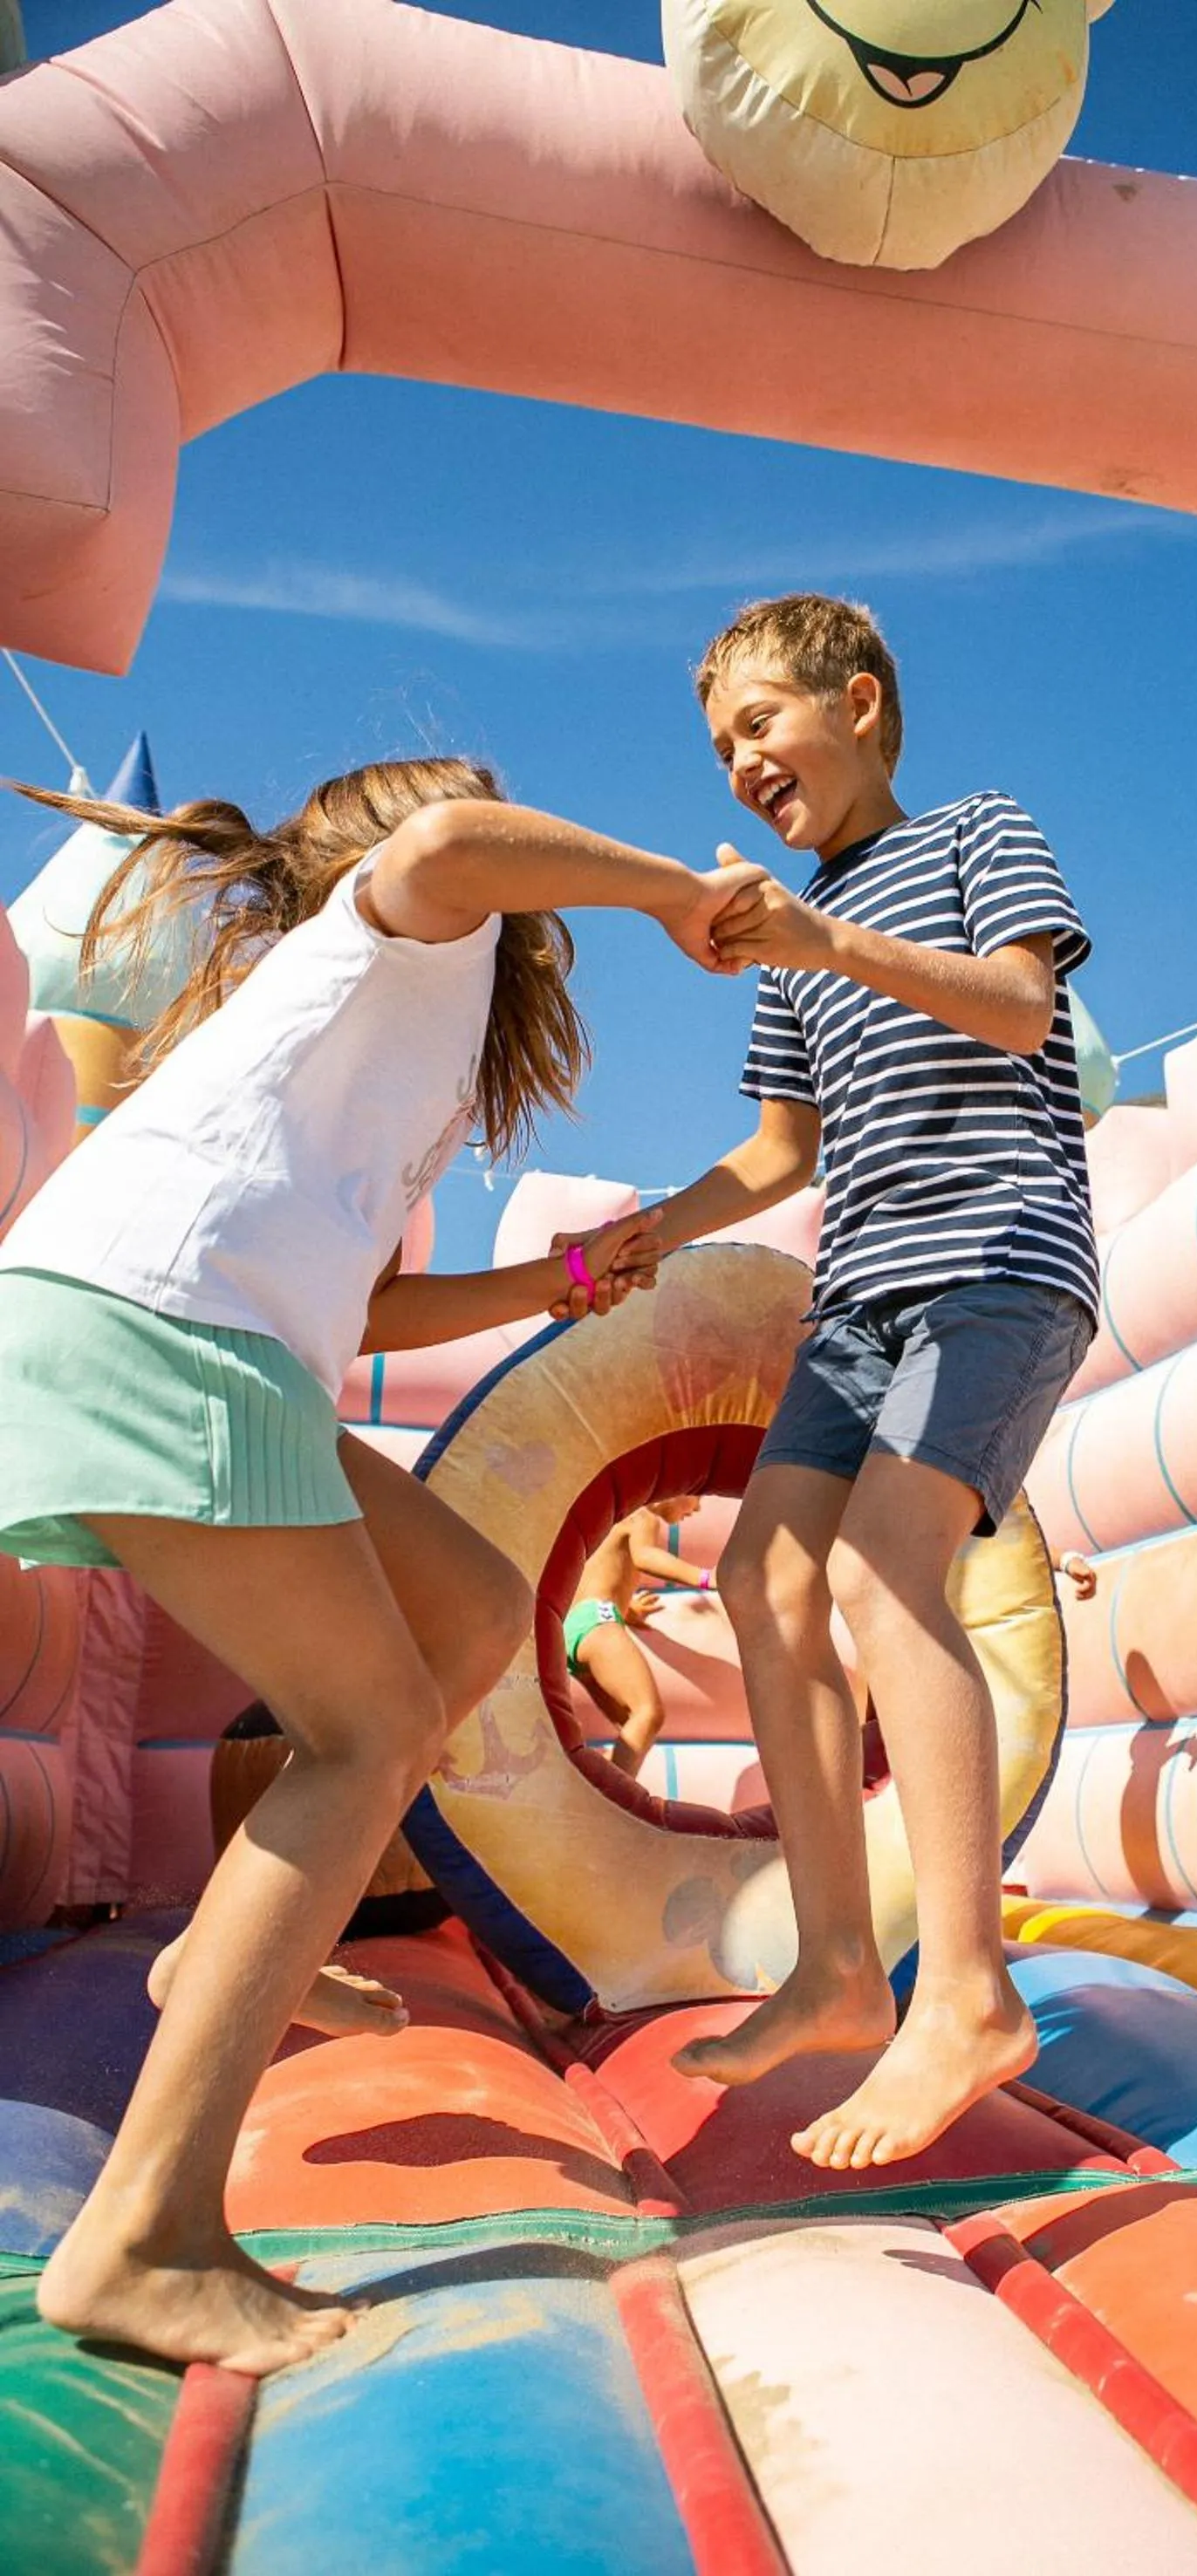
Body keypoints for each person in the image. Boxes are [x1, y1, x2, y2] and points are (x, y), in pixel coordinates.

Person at [0, 755, 758, 2375]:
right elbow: (453, 839)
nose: (511, 829)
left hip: (217, 1333)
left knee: (475, 1613)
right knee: (366, 1727)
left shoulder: (370, 1052)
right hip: (160, 1321)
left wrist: (545, 1283)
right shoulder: (394, 929)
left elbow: (365, 1314)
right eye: (496, 811)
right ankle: (144, 2232)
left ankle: (223, 1945)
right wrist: (680, 892)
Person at [646, 594, 1098, 2171]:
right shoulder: (786, 941)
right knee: (763, 1573)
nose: (738, 764)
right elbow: (779, 1152)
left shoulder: (979, 830)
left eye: (757, 724)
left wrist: (818, 934)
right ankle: (838, 1963)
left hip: (998, 1259)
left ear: (853, 703)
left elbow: (1017, 1004)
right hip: (859, 1298)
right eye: (717, 749)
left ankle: (966, 1992)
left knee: (874, 1562)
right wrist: (646, 1228)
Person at [564, 1496, 715, 1775]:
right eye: (697, 1494)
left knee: (630, 1724)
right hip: (596, 1621)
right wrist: (706, 1577)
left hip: (575, 1628)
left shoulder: (613, 1517)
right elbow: (644, 1557)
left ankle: (602, 1779)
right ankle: (615, 1801)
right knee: (648, 1713)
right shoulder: (641, 1515)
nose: (697, 1508)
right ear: (675, 1486)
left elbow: (598, 1574)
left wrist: (627, 1609)